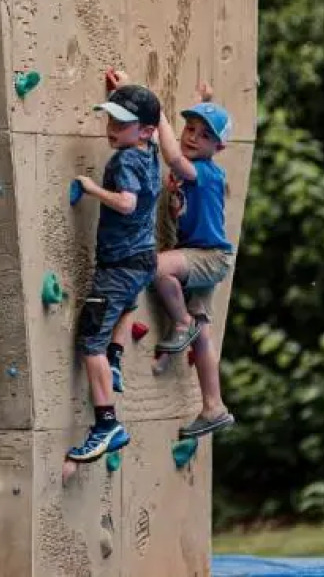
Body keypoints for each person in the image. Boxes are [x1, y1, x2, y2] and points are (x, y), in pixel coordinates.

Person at [65, 82, 163, 464]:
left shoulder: (123, 161)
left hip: (119, 265)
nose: (111, 127)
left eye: (122, 123)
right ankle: (117, 360)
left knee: (90, 341)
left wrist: (90, 188)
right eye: (110, 118)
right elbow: (159, 122)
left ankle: (107, 424)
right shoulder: (149, 151)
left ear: (144, 131)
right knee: (123, 309)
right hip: (142, 259)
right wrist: (124, 88)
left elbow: (126, 203)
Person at [146, 77, 238, 440]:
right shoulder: (193, 175)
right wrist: (174, 201)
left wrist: (158, 114)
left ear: (218, 145)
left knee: (156, 267)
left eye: (203, 135)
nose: (191, 136)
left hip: (209, 256)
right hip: (204, 255)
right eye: (189, 128)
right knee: (204, 334)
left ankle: (180, 325)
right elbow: (177, 214)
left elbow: (173, 157)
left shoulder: (205, 172)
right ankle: (214, 405)